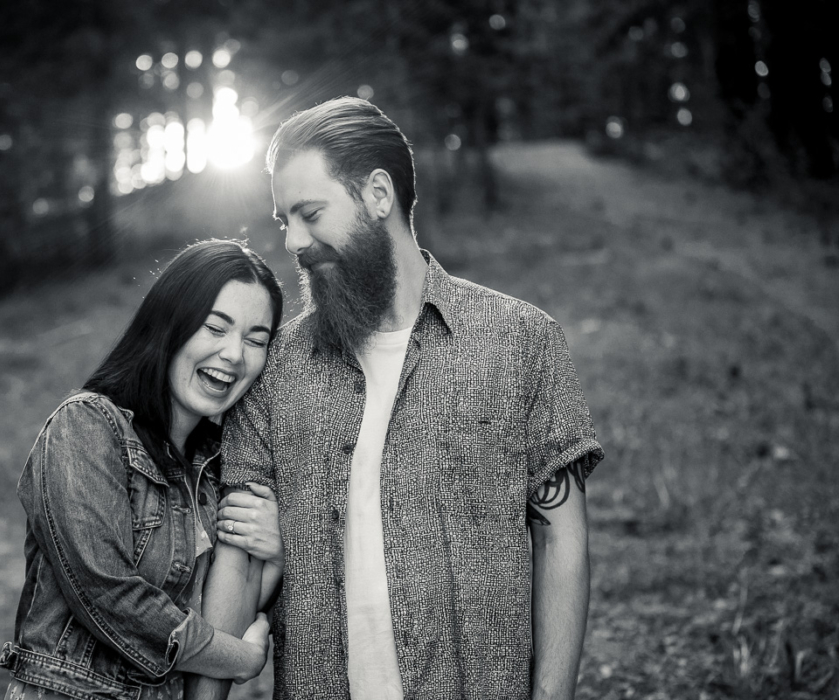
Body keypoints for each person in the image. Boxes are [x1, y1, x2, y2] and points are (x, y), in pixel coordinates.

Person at [197, 98, 605, 700]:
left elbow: (560, 538)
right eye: (284, 220)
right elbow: (240, 553)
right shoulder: (276, 369)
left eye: (310, 213)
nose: (294, 241)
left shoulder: (520, 340)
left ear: (378, 195)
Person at [0, 240, 287, 700]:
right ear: (169, 324)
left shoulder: (215, 469)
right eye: (216, 327)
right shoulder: (87, 426)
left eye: (256, 339)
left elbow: (226, 603)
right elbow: (108, 596)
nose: (235, 354)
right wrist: (240, 659)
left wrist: (274, 551)